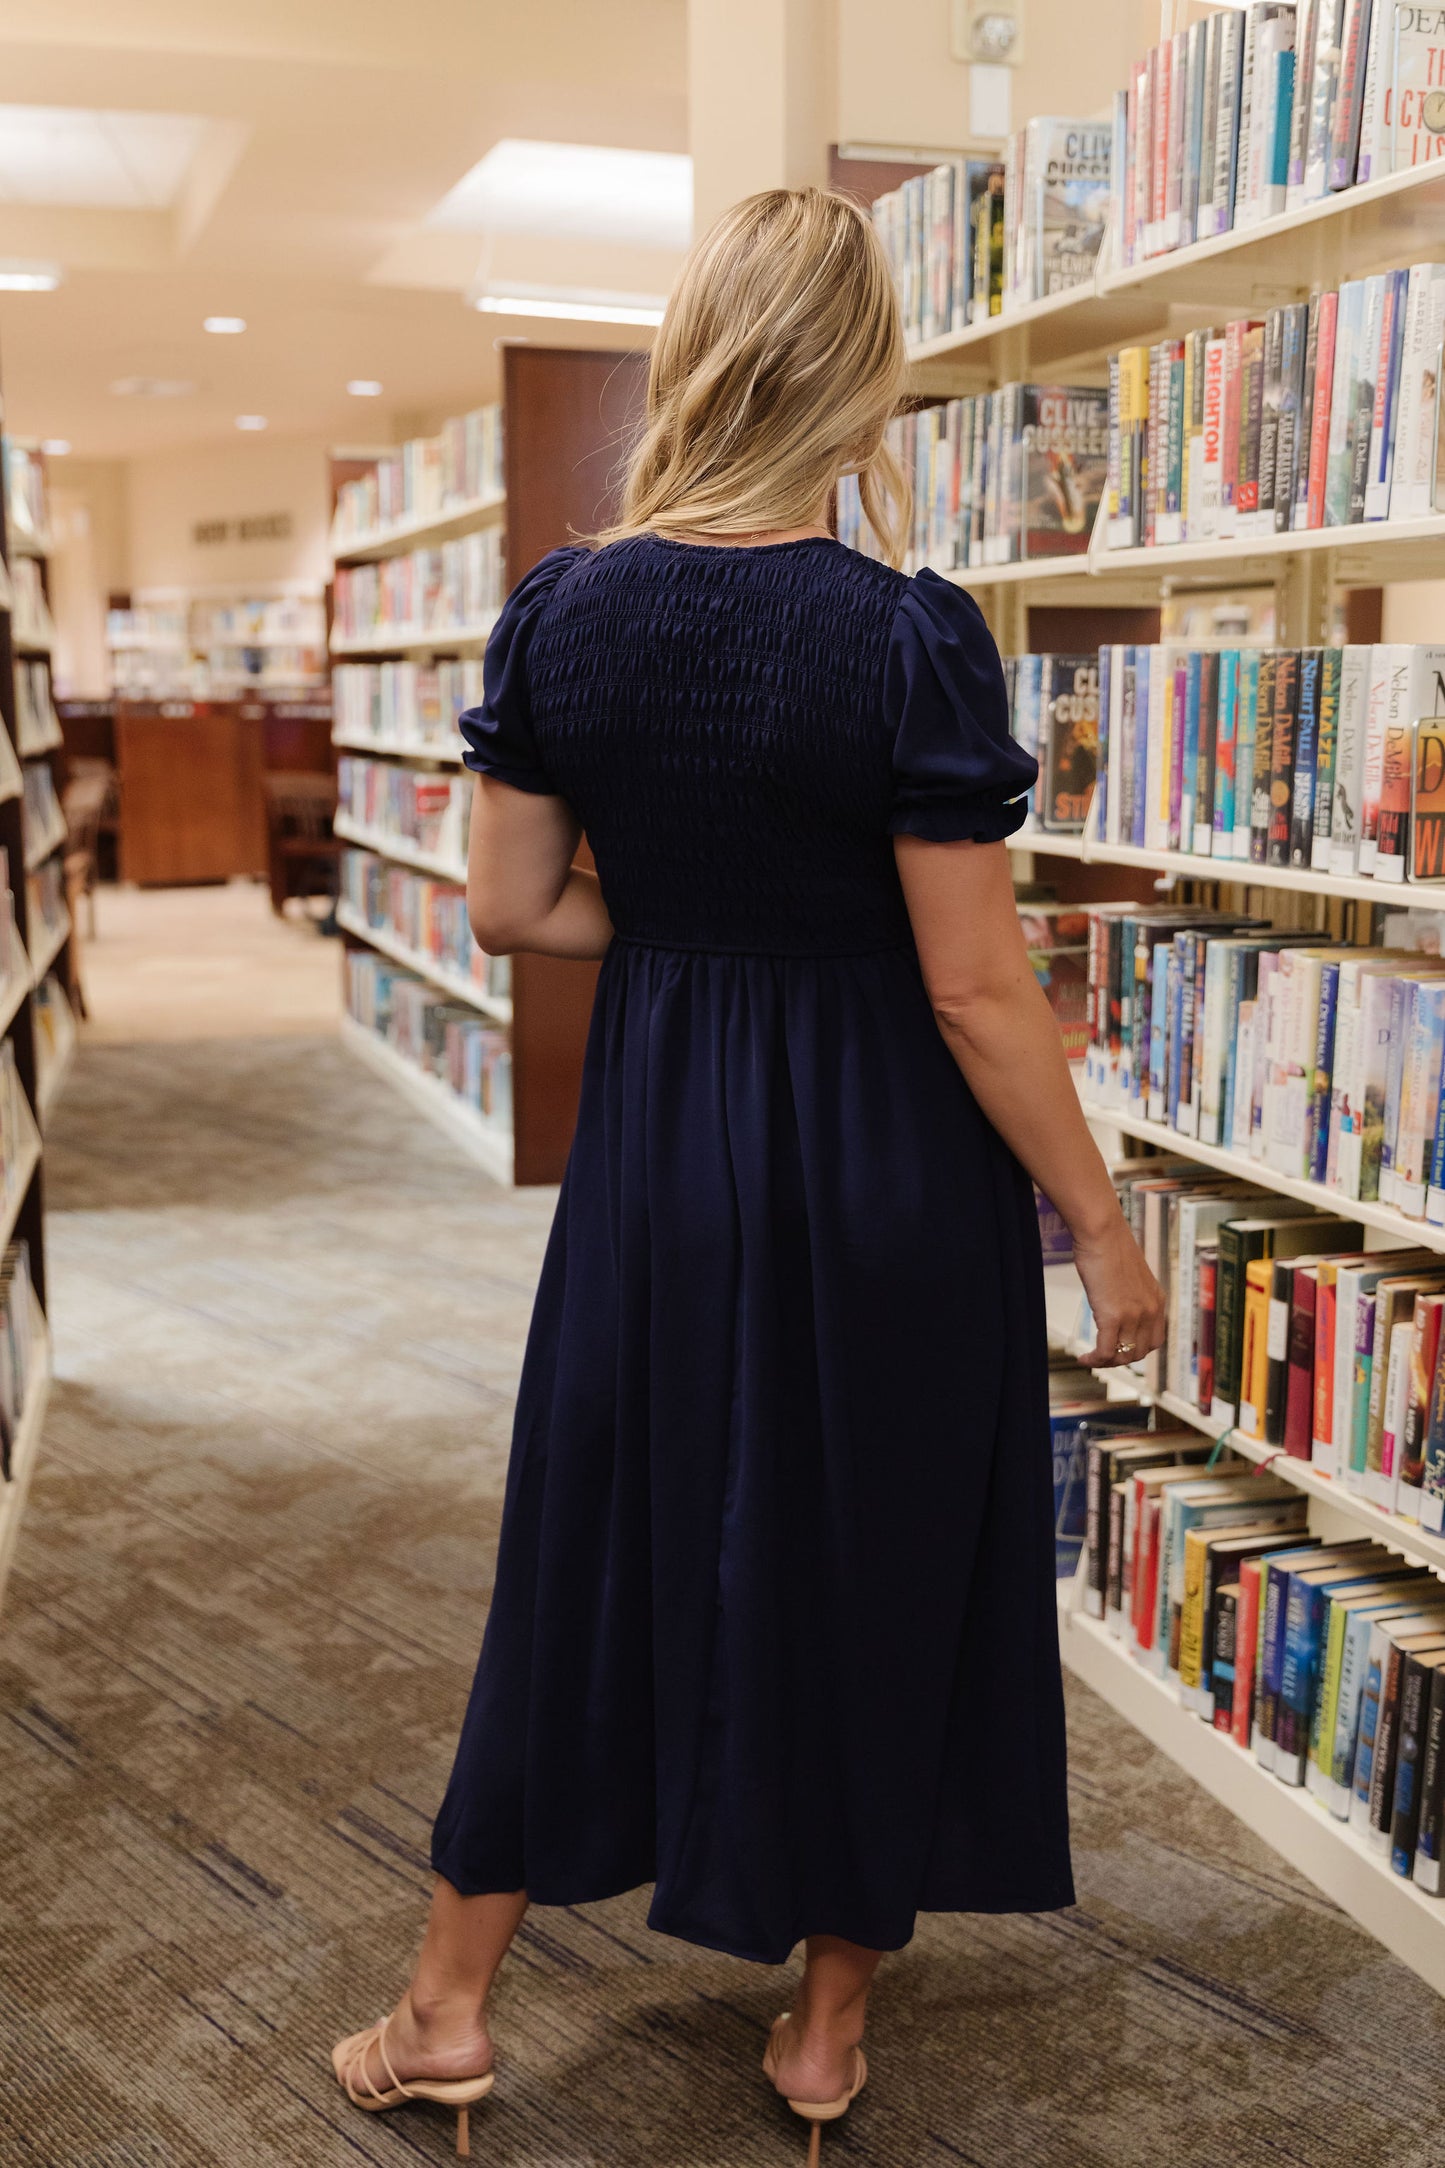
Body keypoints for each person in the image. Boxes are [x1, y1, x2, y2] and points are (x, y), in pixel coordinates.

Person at [331, 185, 1165, 2160]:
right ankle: (821, 2028)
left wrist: (702, 935)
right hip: (886, 1170)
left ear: (692, 362)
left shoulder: (562, 609)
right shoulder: (906, 637)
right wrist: (1103, 1227)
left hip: (658, 1160)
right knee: (878, 1552)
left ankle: (446, 2005)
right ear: (861, 384)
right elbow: (972, 990)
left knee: (591, 1540)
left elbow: (514, 908)